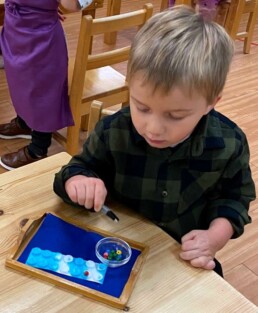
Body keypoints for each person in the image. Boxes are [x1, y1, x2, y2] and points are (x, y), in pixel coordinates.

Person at [53, 6, 256, 275]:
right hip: (114, 248)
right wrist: (78, 181)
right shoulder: (113, 131)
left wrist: (214, 238)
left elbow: (236, 198)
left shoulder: (229, 144)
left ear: (211, 102)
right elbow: (76, 169)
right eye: (142, 107)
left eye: (175, 115)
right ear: (130, 85)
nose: (154, 128)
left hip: (178, 255)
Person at [0, 0, 93, 170]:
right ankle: (24, 123)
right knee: (19, 81)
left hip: (41, 36)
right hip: (16, 25)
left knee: (42, 89)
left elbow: (73, 5)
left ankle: (38, 148)